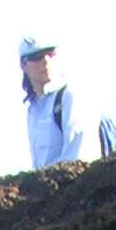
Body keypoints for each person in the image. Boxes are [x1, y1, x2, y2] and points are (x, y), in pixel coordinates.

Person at [19, 36, 82, 169]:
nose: (45, 61)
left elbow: (77, 156)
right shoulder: (33, 110)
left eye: (50, 53)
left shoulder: (69, 95)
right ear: (23, 65)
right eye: (37, 57)